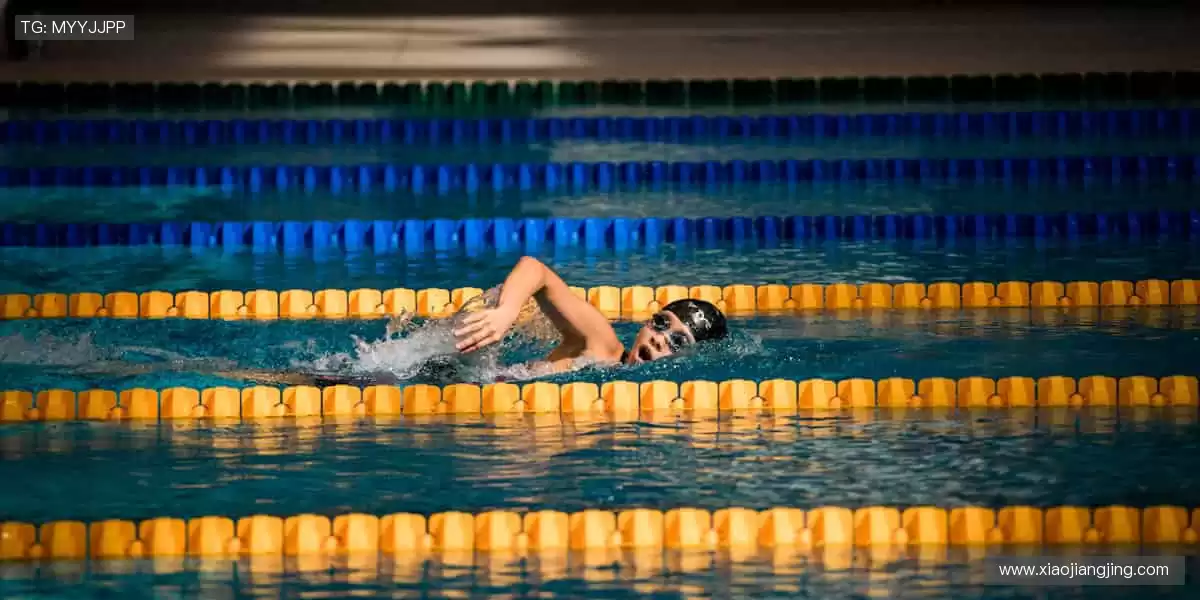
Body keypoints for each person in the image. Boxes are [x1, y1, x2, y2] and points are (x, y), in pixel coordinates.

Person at [451, 256, 729, 372]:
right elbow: (535, 269)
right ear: (646, 322)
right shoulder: (602, 344)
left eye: (677, 341)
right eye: (660, 324)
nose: (659, 339)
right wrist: (506, 311)